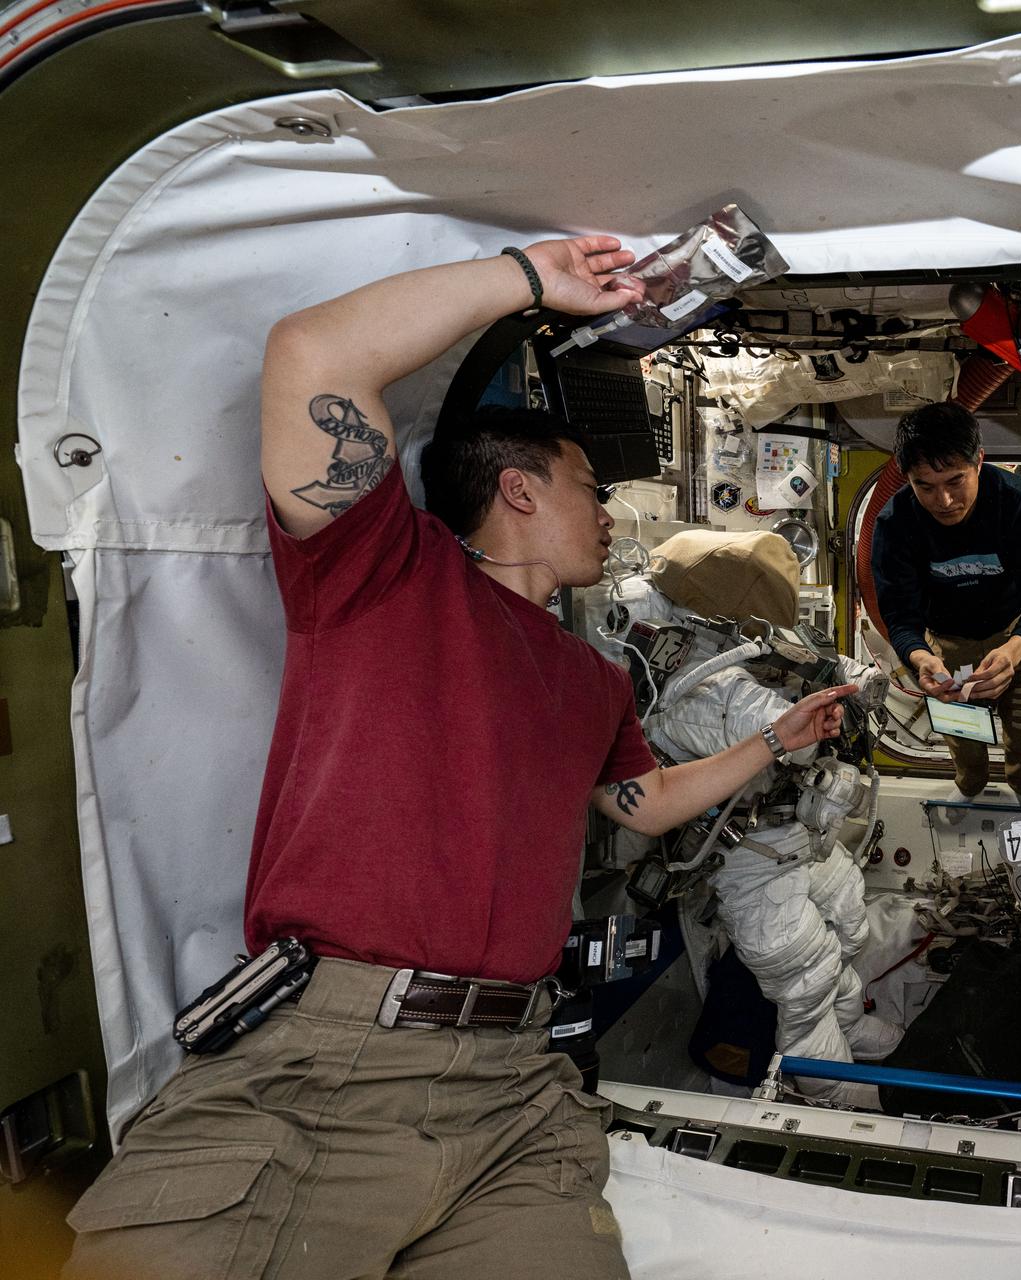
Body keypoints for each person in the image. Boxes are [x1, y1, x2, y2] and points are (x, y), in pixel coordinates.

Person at [63, 238, 854, 1280]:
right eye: (587, 486)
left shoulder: (592, 676)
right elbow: (313, 355)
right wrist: (530, 279)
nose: (609, 512)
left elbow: (648, 802)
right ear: (518, 491)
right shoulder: (386, 573)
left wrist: (771, 740)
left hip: (514, 1083)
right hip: (331, 1065)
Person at [616, 530, 903, 1103]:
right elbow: (779, 730)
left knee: (849, 924)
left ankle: (851, 1026)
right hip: (751, 859)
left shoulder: (738, 633)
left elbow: (806, 657)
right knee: (805, 978)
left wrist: (861, 679)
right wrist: (826, 716)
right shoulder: (694, 685)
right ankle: (834, 1097)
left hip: (796, 833)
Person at [870, 403, 1021, 798]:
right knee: (961, 730)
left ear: (979, 462)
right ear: (907, 478)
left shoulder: (1018, 501)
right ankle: (970, 787)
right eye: (925, 486)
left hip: (1015, 636)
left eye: (955, 480)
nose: (943, 500)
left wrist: (1014, 649)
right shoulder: (895, 522)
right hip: (947, 643)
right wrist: (921, 658)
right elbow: (899, 614)